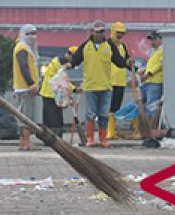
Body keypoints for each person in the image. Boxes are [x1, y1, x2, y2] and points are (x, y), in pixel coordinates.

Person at [65, 20, 127, 148]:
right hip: (90, 86)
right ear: (92, 32)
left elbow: (119, 61)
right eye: (98, 32)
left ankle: (103, 138)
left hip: (105, 86)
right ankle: (90, 138)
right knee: (90, 114)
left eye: (102, 32)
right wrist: (70, 64)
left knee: (104, 114)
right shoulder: (85, 46)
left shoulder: (109, 45)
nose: (100, 34)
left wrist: (128, 62)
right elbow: (76, 58)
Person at [12, 24, 40, 150]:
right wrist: (32, 84)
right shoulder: (22, 48)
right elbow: (24, 67)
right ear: (22, 34)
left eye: (34, 33)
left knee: (23, 115)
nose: (32, 36)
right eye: (28, 34)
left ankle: (22, 142)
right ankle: (27, 141)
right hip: (26, 88)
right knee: (26, 117)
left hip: (22, 87)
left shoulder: (24, 48)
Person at [106, 21, 131, 140]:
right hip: (109, 81)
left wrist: (137, 70)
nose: (120, 35)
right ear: (112, 32)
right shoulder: (107, 44)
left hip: (120, 81)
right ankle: (107, 131)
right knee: (108, 107)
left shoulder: (122, 46)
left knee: (116, 107)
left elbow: (126, 62)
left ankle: (112, 131)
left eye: (122, 33)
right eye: (118, 33)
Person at [38, 50, 69, 138]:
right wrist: (73, 89)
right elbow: (62, 80)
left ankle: (51, 137)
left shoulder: (55, 64)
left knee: (50, 118)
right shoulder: (58, 67)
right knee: (54, 118)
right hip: (51, 94)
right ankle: (54, 138)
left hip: (51, 94)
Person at [140, 31, 164, 117]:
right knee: (143, 105)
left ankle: (151, 126)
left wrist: (148, 74)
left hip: (155, 82)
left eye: (154, 39)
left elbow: (160, 64)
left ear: (160, 39)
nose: (152, 42)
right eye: (151, 40)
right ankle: (146, 125)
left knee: (151, 106)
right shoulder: (154, 52)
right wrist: (144, 71)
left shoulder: (163, 51)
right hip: (148, 82)